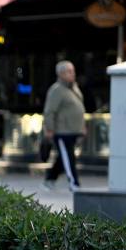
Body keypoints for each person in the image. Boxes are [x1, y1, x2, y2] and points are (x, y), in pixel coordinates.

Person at [42, 60, 86, 191]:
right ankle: (74, 183)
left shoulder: (74, 87)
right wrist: (50, 128)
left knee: (63, 158)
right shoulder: (56, 90)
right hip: (62, 131)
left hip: (73, 130)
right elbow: (49, 111)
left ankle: (49, 179)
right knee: (68, 158)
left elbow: (80, 109)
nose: (73, 74)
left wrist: (82, 126)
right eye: (69, 71)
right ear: (61, 74)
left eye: (73, 71)